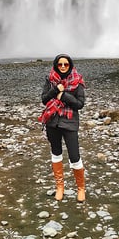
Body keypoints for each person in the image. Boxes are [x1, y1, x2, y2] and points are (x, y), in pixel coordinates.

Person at [39, 54, 86, 202]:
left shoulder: (77, 81)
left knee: (74, 156)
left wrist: (63, 95)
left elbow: (79, 104)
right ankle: (60, 187)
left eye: (66, 64)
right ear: (56, 65)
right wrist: (55, 91)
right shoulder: (50, 79)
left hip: (70, 123)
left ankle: (81, 189)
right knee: (56, 153)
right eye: (60, 64)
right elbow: (44, 99)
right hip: (52, 122)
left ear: (70, 65)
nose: (63, 67)